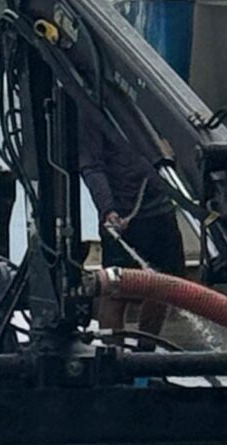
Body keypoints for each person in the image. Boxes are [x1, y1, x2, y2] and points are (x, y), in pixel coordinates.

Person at [78, 104, 186, 345]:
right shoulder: (93, 108)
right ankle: (112, 359)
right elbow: (91, 165)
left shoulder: (149, 101)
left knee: (163, 287)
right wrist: (107, 209)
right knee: (117, 291)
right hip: (122, 214)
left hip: (159, 204)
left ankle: (146, 357)